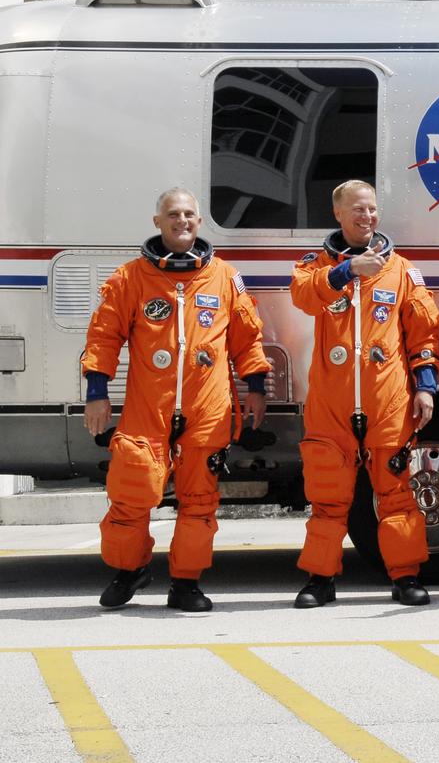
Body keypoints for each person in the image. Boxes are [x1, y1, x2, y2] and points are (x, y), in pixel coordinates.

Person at [83, 187, 270, 612]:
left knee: (200, 500)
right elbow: (103, 336)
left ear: (199, 222)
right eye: (173, 214)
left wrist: (256, 388)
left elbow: (247, 337)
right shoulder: (130, 277)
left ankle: (185, 583)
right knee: (130, 495)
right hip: (149, 406)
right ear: (157, 222)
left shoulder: (223, 276)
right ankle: (129, 571)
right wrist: (97, 393)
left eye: (189, 214)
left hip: (207, 408)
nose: (182, 221)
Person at [289, 180, 439, 608]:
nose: (367, 217)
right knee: (328, 493)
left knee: (395, 490)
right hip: (332, 400)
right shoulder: (315, 265)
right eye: (357, 210)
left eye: (372, 209)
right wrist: (346, 271)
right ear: (337, 214)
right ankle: (320, 579)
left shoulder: (401, 269)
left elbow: (423, 331)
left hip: (388, 396)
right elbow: (302, 296)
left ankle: (405, 576)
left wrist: (425, 387)